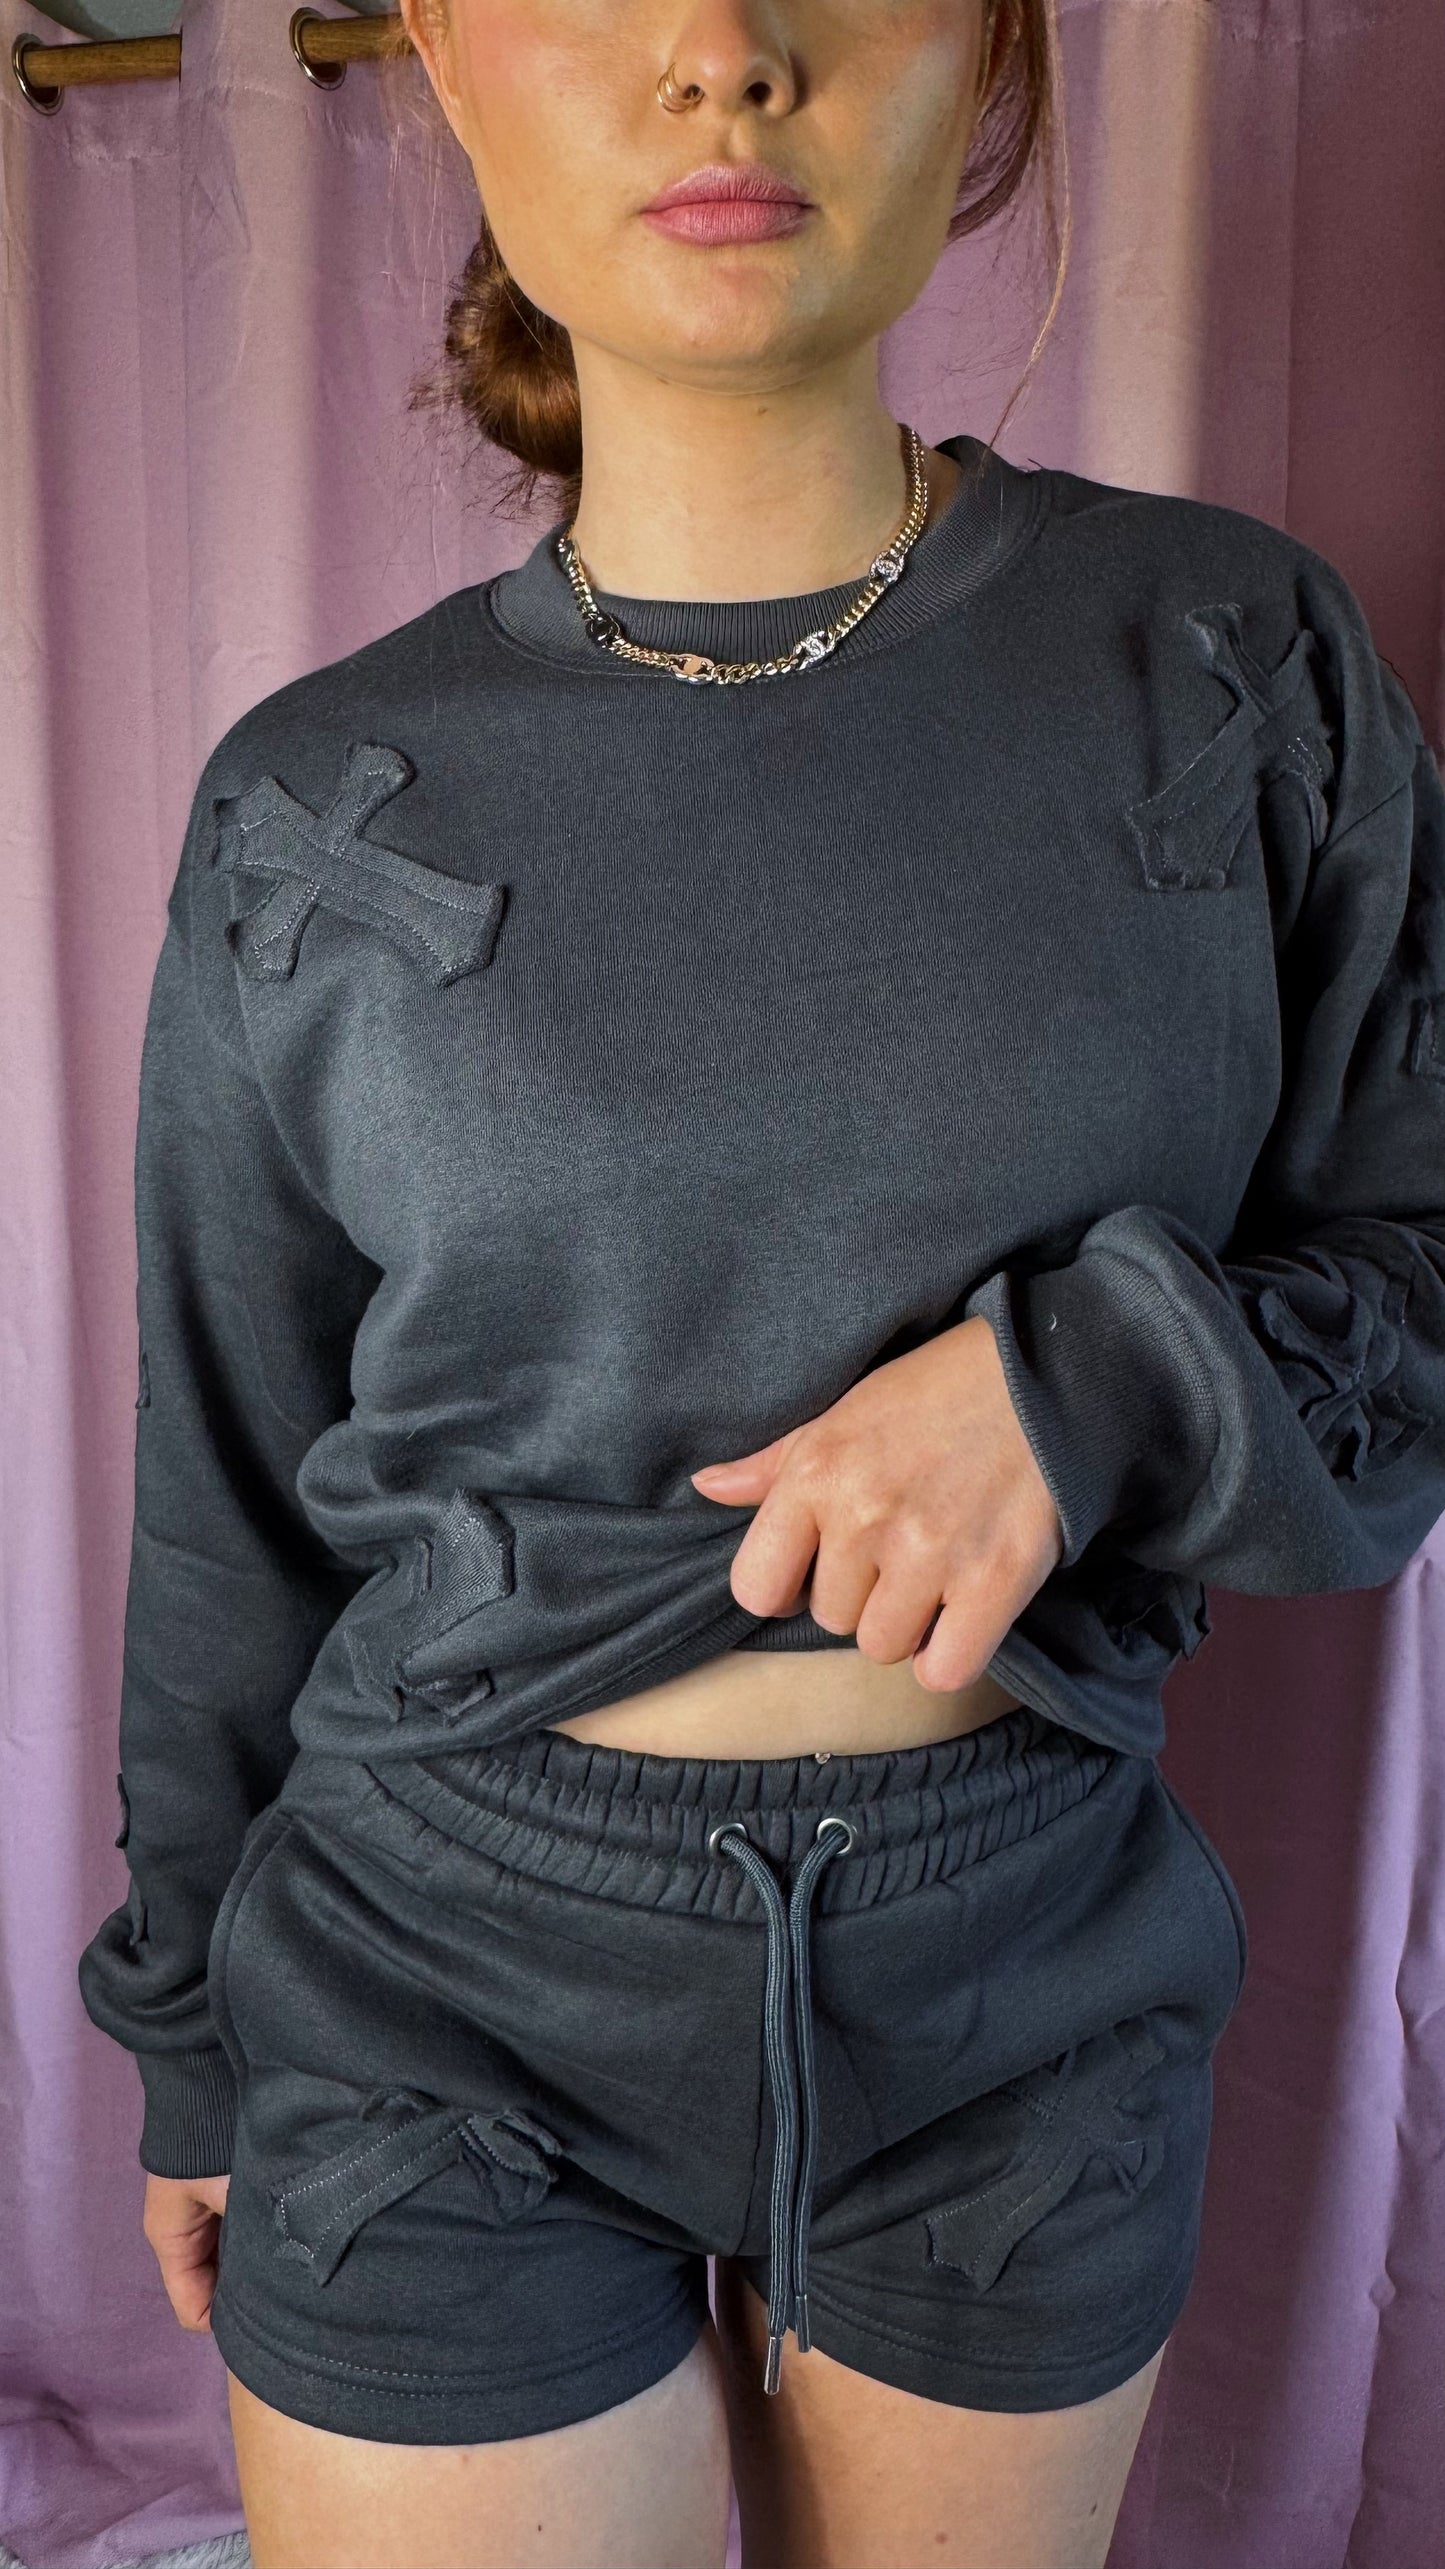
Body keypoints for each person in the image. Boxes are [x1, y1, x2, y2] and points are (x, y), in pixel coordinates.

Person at [77, 0, 1445, 2562]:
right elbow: (228, 1478)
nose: (721, 50)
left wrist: (1089, 1388)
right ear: (447, 56)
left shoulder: (1233, 661)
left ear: (993, 51)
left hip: (1027, 1965)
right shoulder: (311, 803)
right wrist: (184, 2032)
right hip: (428, 1975)